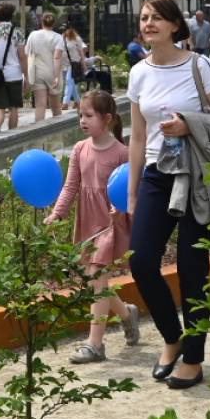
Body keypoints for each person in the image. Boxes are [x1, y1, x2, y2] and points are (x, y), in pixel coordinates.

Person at [126, 0, 210, 391]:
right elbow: (138, 137)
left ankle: (194, 358)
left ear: (176, 25)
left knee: (194, 268)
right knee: (140, 262)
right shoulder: (138, 73)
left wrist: (189, 124)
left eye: (157, 17)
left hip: (195, 175)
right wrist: (134, 190)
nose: (149, 23)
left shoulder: (199, 65)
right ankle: (172, 339)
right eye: (144, 18)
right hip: (158, 174)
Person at [48, 89, 141, 363]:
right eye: (80, 115)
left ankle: (95, 344)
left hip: (110, 223)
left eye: (88, 115)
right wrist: (57, 214)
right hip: (87, 221)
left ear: (108, 118)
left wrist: (122, 207)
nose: (82, 120)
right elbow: (71, 186)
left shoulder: (123, 153)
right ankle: (127, 313)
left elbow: (130, 188)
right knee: (94, 280)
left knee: (97, 277)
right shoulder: (79, 149)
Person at [0, 3, 24, 133]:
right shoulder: (18, 32)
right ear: (11, 15)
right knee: (14, 107)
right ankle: (12, 133)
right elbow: (21, 56)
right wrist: (27, 75)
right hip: (14, 73)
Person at [23, 11, 67, 124]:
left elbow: (27, 52)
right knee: (56, 107)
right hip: (52, 72)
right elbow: (57, 58)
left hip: (37, 72)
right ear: (54, 23)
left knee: (40, 105)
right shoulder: (58, 37)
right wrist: (57, 76)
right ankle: (58, 134)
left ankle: (38, 135)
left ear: (41, 22)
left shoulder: (33, 35)